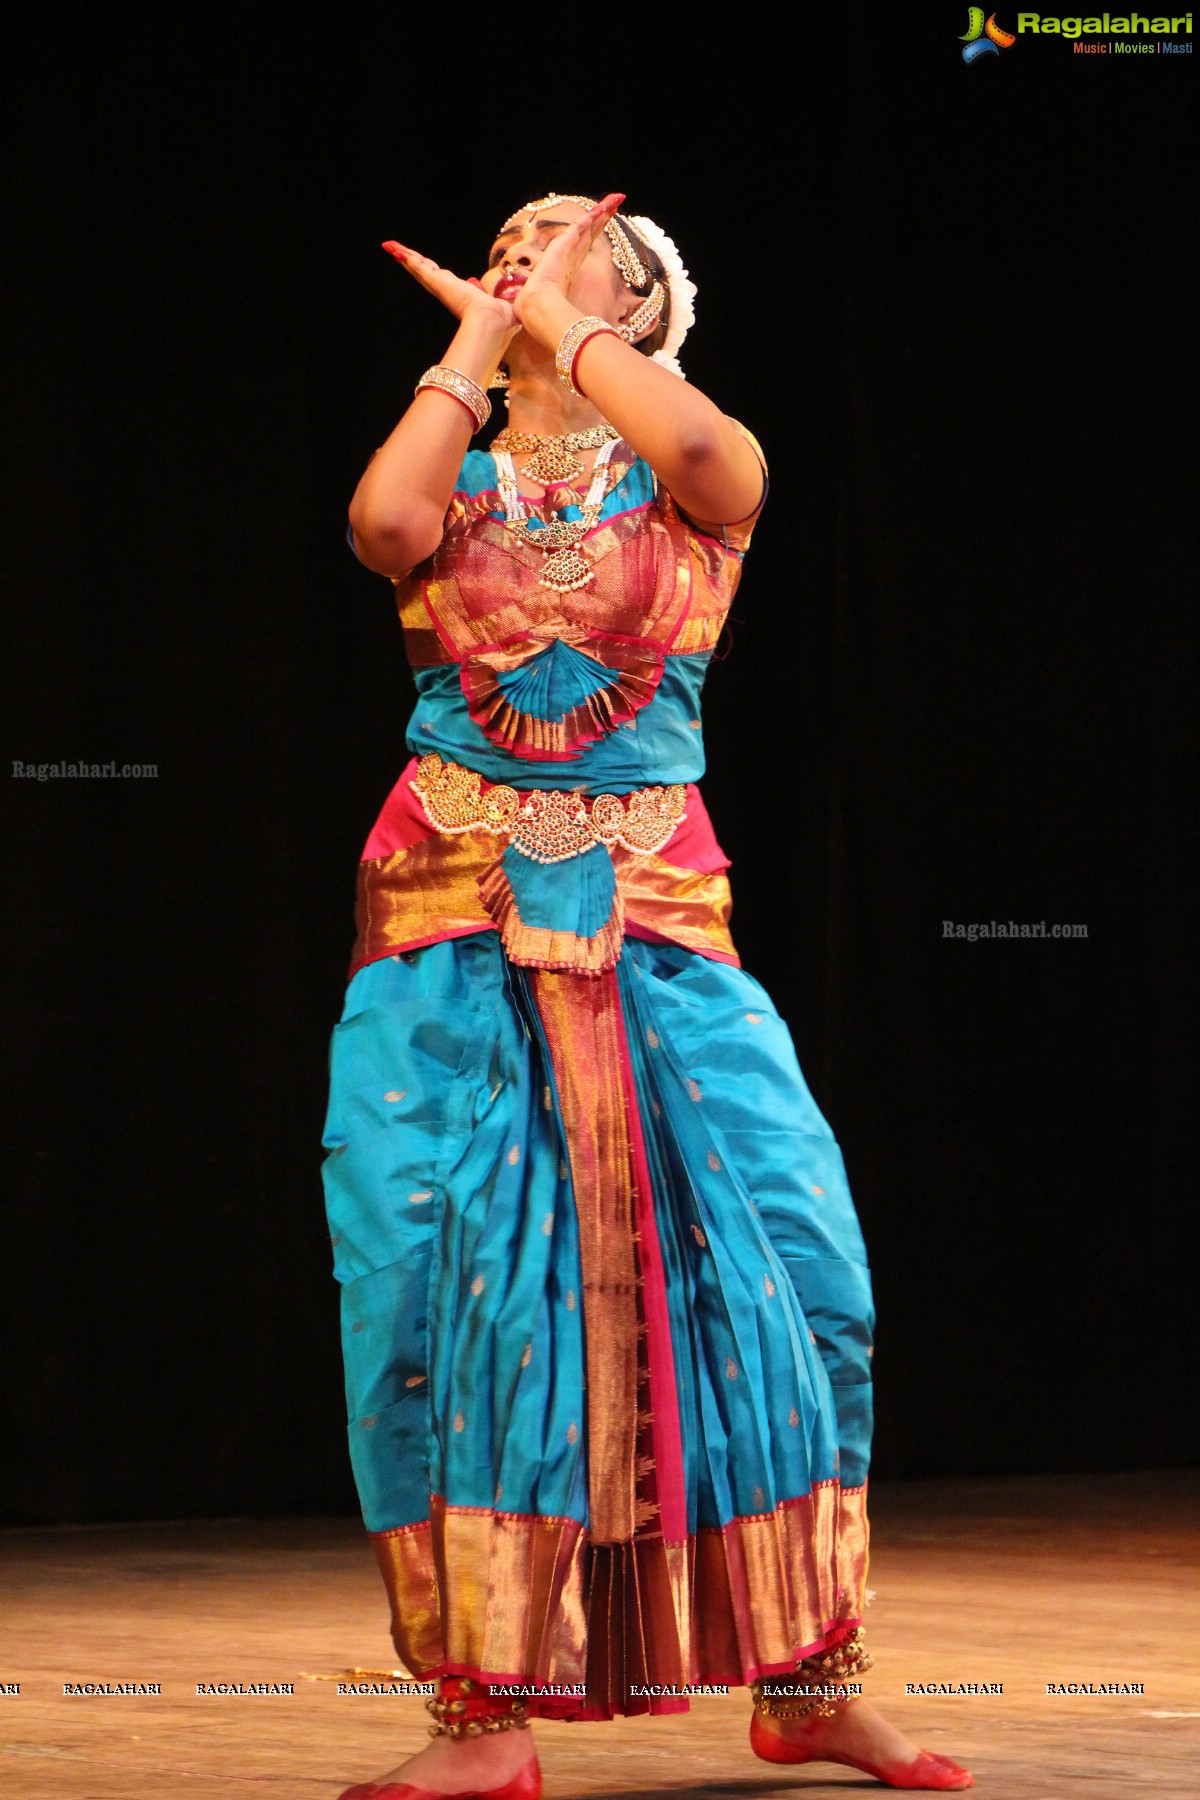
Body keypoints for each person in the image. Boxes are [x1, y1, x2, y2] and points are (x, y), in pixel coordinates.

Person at [321, 191, 974, 1798]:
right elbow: (385, 531)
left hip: (662, 921)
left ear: (645, 293)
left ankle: (808, 1677)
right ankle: (481, 1721)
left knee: (792, 1266)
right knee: (430, 1283)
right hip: (450, 919)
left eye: (580, 229)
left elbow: (709, 466)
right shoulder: (458, 473)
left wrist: (573, 330)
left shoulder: (697, 478)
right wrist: (481, 340)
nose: (536, 236)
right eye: (514, 229)